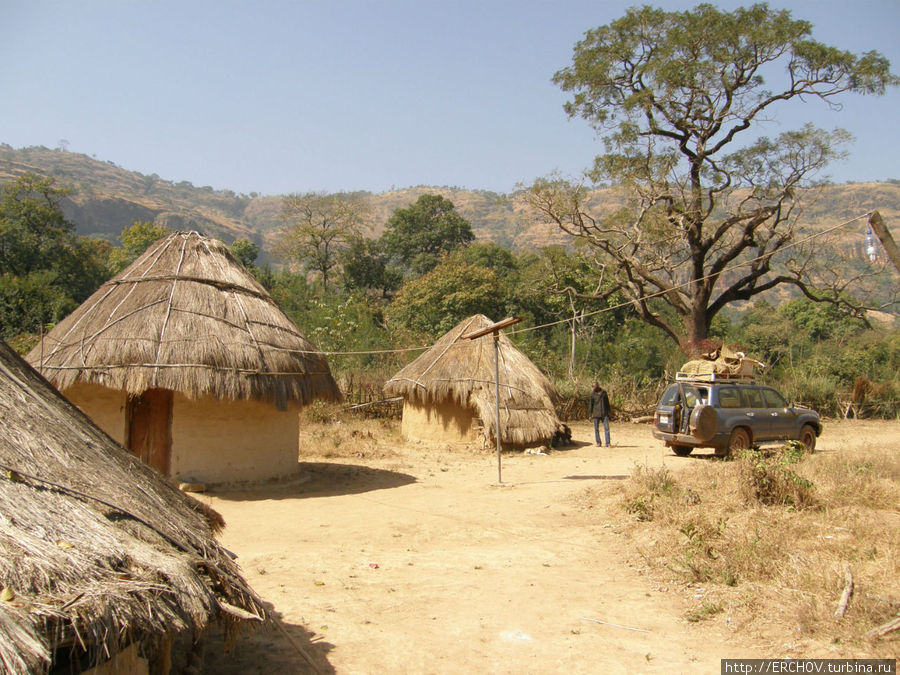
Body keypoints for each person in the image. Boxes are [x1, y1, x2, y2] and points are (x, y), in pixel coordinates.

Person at [589, 382, 611, 447]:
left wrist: (609, 412)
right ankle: (598, 442)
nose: (593, 388)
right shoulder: (592, 394)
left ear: (597, 386)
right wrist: (590, 415)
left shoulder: (604, 393)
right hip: (596, 414)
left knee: (607, 428)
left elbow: (607, 403)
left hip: (604, 413)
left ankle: (608, 443)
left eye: (594, 387)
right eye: (592, 387)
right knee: (596, 429)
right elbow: (591, 405)